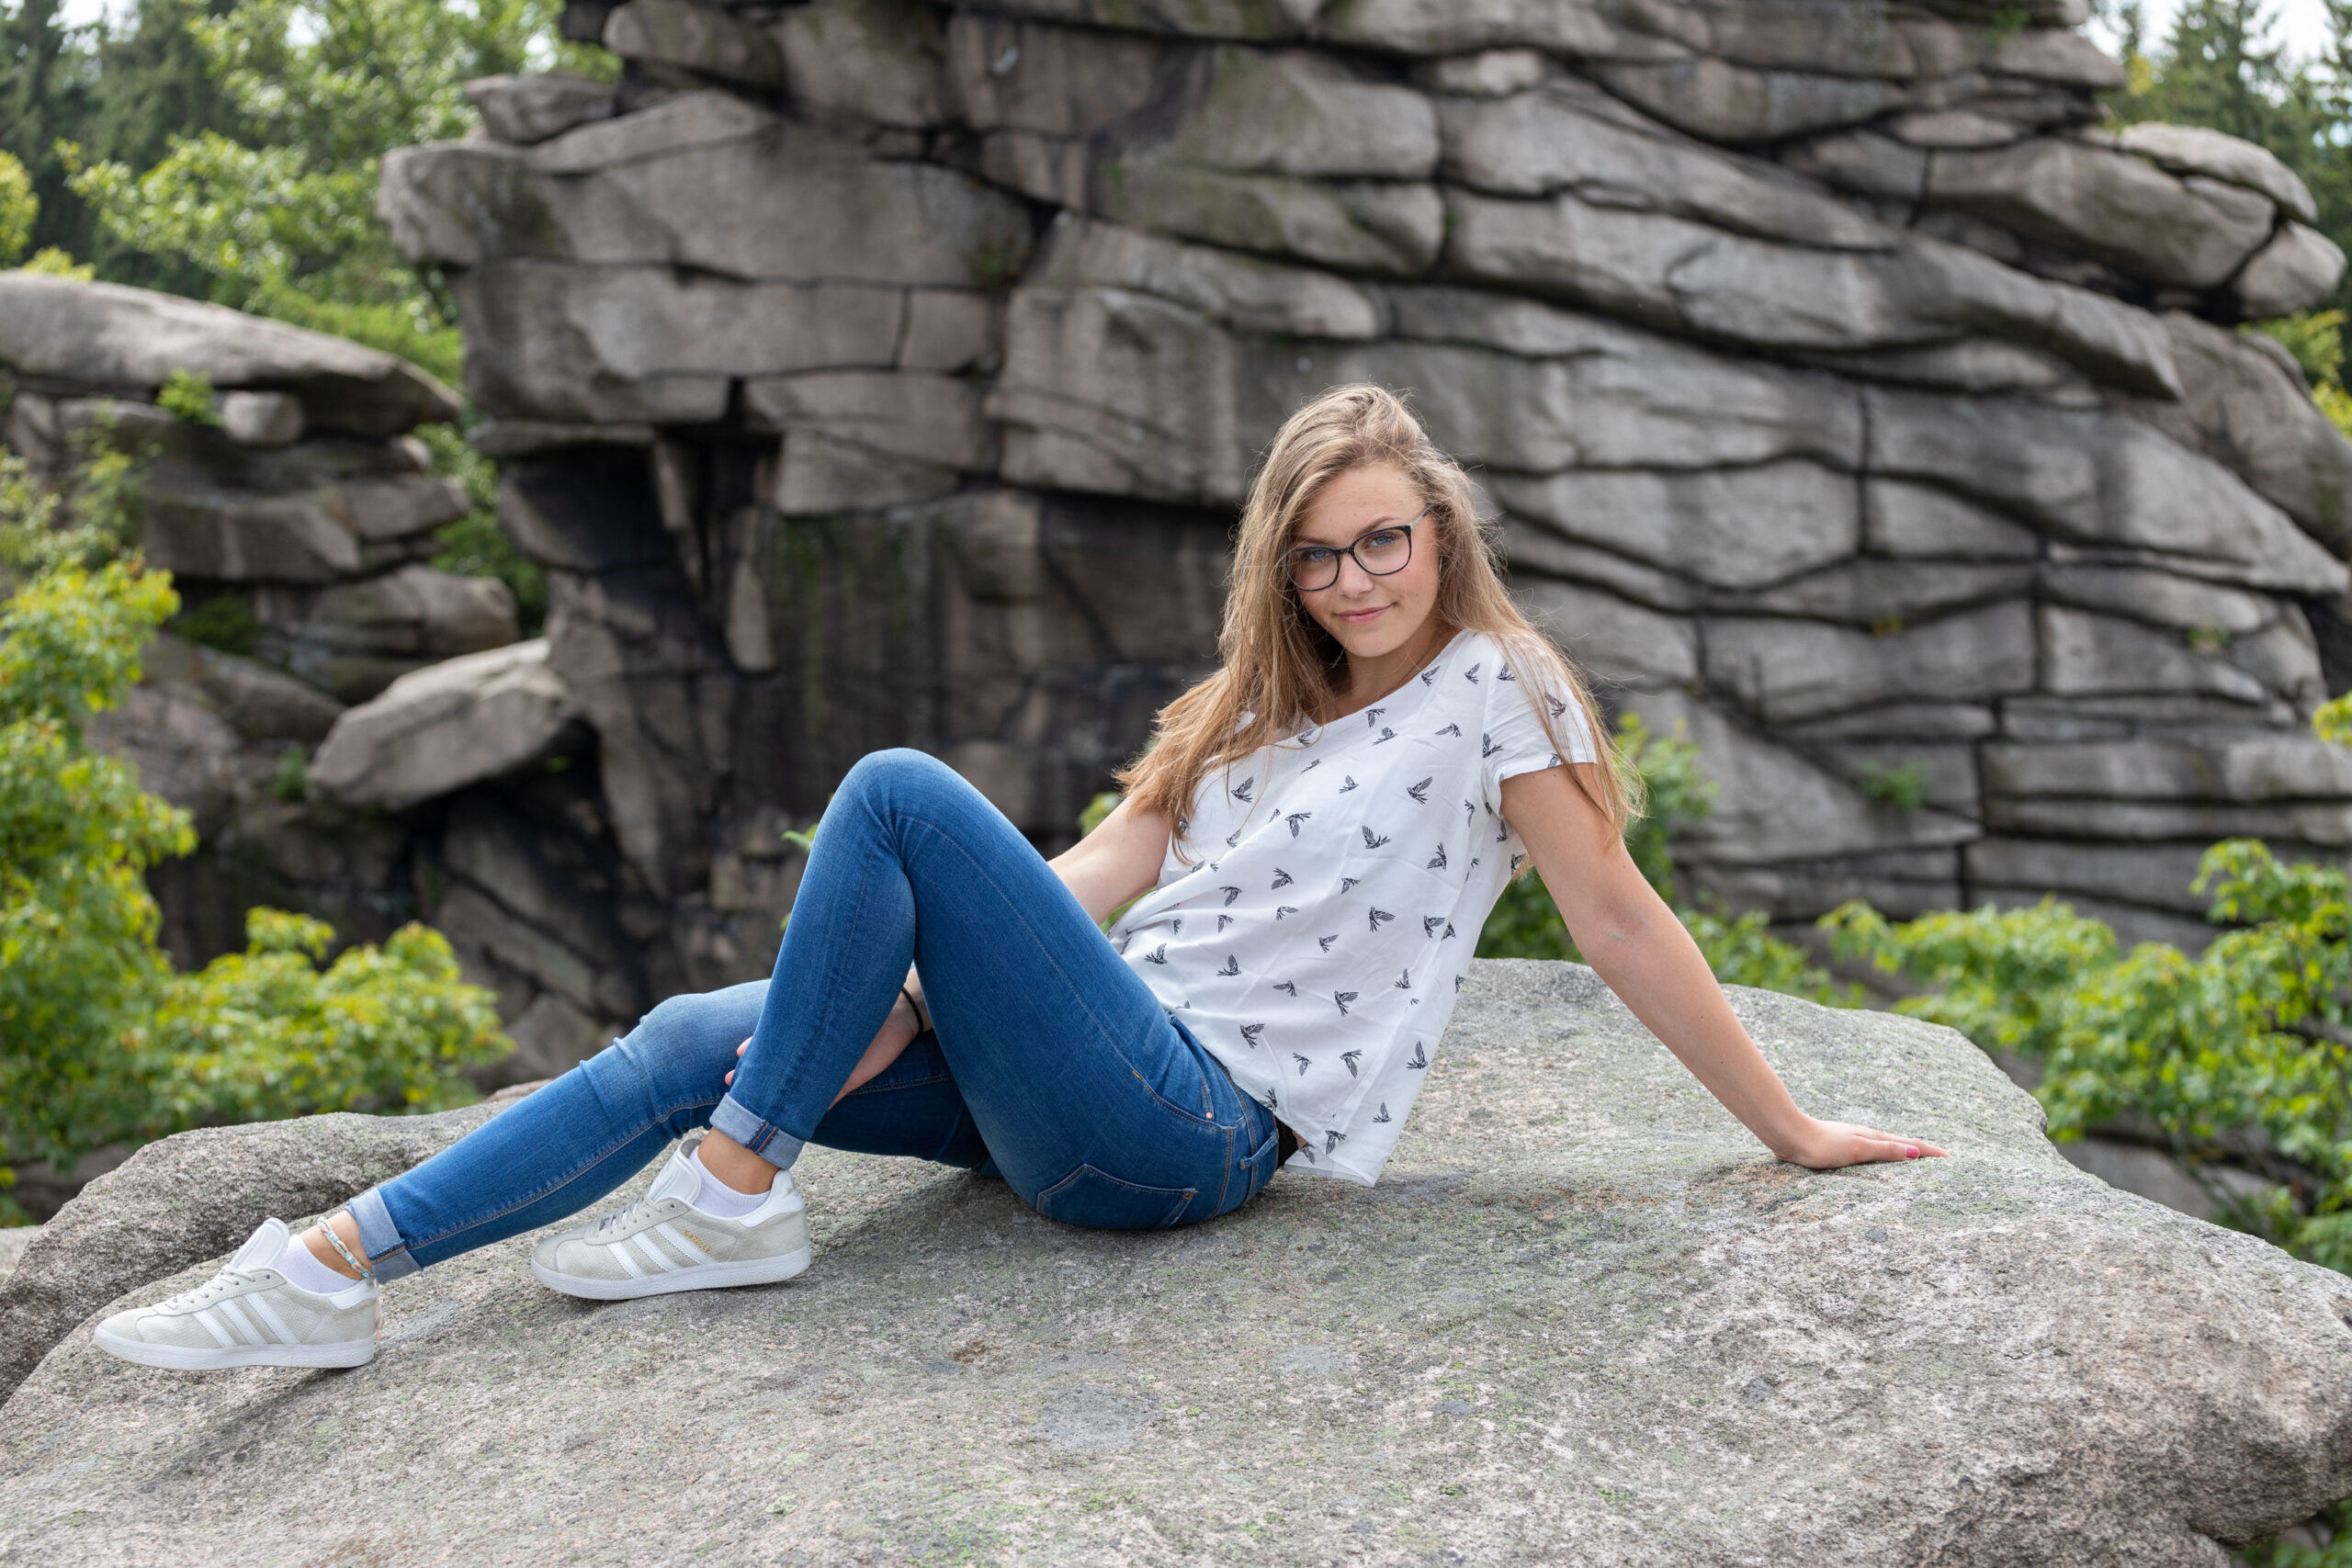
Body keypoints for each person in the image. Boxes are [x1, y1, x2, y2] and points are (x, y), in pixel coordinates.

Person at [93, 385, 1944, 1372]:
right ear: (1279, 570)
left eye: (1384, 540)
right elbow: (1096, 872)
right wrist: (936, 985)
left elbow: (1613, 913)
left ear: (1443, 531)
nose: (1354, 578)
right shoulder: (1249, 705)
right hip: (1079, 1059)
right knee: (685, 1032)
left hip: (1190, 1128)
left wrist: (1784, 1126)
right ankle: (332, 1267)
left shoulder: (1497, 694)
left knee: (893, 796)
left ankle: (735, 1192)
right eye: (1316, 556)